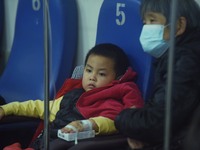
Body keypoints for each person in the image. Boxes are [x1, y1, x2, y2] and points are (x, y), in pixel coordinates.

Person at [0, 43, 144, 150]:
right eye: (88, 70)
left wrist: (85, 124)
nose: (92, 77)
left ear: (117, 79)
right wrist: (7, 109)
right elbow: (40, 107)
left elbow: (112, 122)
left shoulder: (109, 102)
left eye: (101, 74)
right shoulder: (72, 96)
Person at [114, 0, 200, 149]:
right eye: (145, 22)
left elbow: (159, 122)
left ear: (179, 25)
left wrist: (125, 118)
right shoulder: (178, 56)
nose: (146, 28)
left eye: (152, 20)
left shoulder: (186, 61)